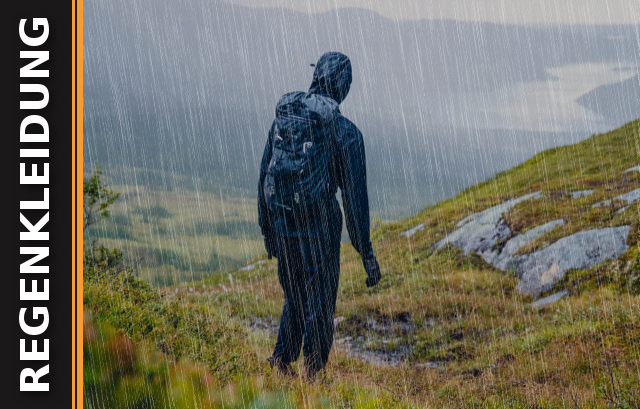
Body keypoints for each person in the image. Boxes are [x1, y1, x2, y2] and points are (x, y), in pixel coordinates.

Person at [258, 51, 381, 379]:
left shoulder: (285, 122)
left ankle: (282, 364)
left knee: (295, 295)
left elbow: (265, 177)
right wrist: (366, 253)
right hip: (319, 228)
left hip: (284, 223)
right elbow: (355, 203)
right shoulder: (346, 134)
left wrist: (268, 231)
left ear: (315, 78)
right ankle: (313, 380)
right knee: (320, 305)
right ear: (344, 87)